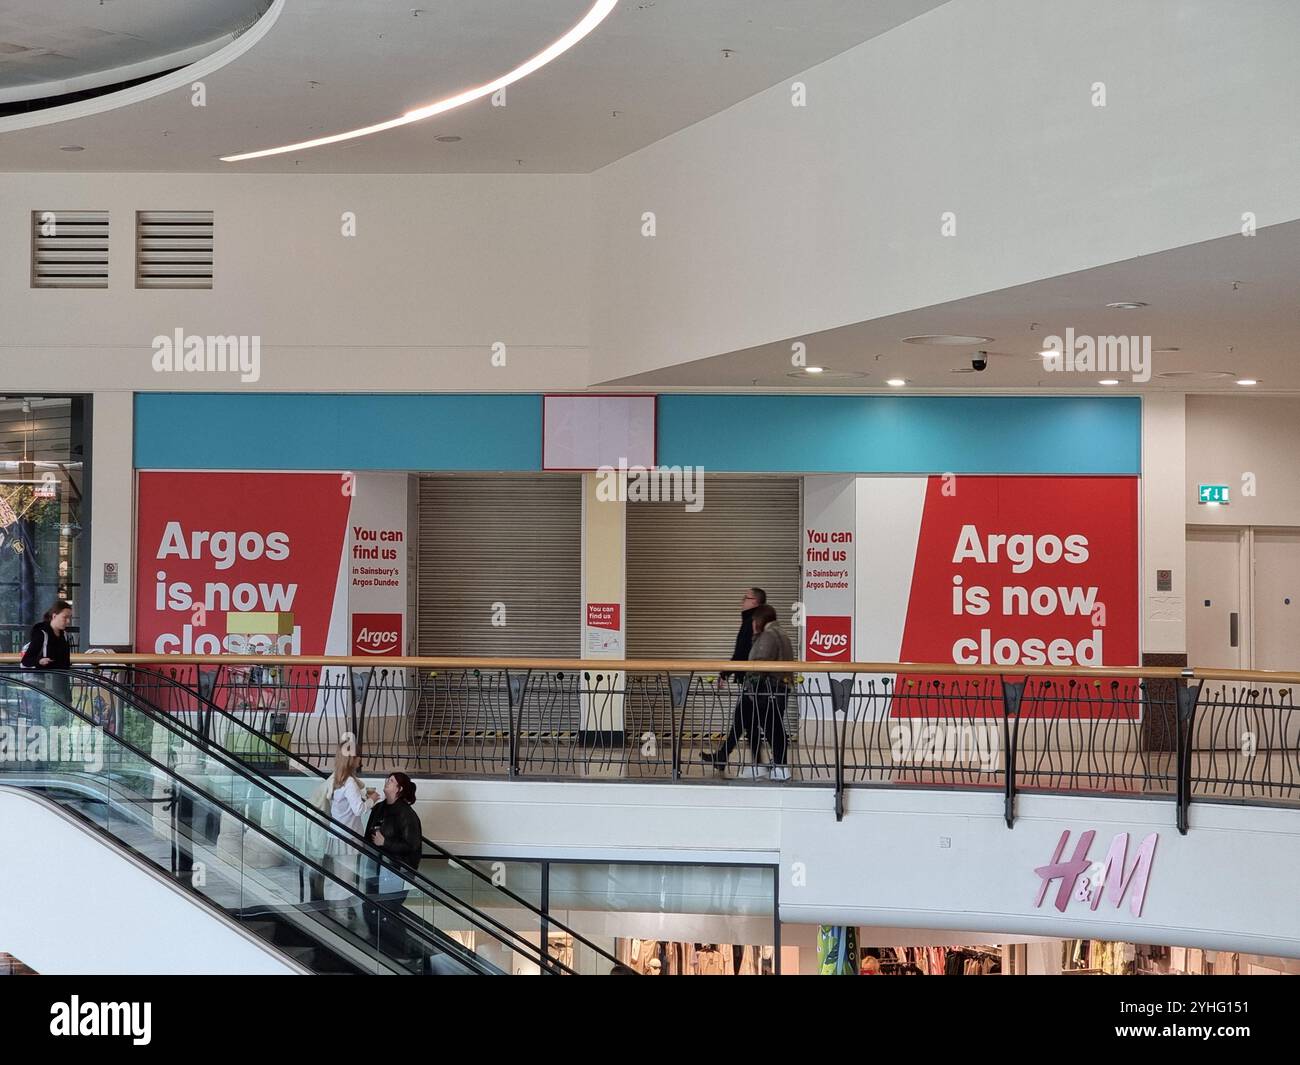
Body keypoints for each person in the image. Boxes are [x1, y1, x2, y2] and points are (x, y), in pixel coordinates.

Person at [308, 738, 379, 909]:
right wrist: (372, 800)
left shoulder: (334, 780)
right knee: (345, 881)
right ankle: (339, 915)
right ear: (352, 759)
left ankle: (335, 911)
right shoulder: (350, 783)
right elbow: (359, 810)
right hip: (348, 839)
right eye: (358, 756)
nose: (360, 759)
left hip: (335, 835)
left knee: (336, 879)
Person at [701, 588, 765, 772]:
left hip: (752, 681)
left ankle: (731, 758)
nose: (742, 600)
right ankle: (753, 762)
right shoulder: (751, 620)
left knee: (743, 719)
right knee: (748, 721)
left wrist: (725, 673)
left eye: (747, 597)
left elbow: (742, 652)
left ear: (755, 602)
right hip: (751, 680)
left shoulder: (751, 622)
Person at [363, 772, 424, 958]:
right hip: (374, 866)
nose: (386, 782)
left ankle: (398, 952)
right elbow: (367, 835)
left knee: (388, 909)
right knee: (370, 907)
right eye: (387, 780)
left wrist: (385, 844)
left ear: (399, 789)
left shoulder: (407, 814)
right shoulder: (379, 808)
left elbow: (412, 846)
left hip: (396, 870)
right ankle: (379, 947)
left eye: (391, 781)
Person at [745, 604, 795, 781]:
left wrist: (750, 677)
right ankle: (774, 765)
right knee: (772, 726)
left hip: (768, 689)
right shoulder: (782, 633)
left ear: (759, 620)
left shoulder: (768, 635)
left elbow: (760, 661)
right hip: (780, 687)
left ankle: (777, 766)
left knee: (771, 727)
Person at [20, 599, 74, 711]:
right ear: (54, 616)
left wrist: (68, 697)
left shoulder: (65, 636)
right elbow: (26, 661)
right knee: (45, 718)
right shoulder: (41, 634)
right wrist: (39, 661)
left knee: (60, 719)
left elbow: (65, 664)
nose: (68, 621)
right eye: (65, 617)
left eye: (70, 618)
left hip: (60, 685)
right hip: (42, 688)